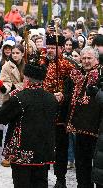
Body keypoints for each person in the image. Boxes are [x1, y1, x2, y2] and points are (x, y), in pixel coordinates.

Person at [0, 63, 58, 188]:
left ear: (27, 80)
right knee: (41, 183)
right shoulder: (51, 99)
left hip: (22, 152)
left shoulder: (19, 98)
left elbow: (0, 117)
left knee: (22, 183)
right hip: (43, 152)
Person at [64, 46, 103, 188]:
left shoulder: (100, 74)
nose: (86, 61)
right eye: (84, 58)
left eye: (89, 58)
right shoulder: (77, 74)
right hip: (78, 127)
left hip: (96, 128)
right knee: (81, 164)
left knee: (98, 166)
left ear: (96, 59)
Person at [39, 34, 75, 188]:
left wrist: (64, 97)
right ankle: (42, 178)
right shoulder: (41, 64)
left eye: (54, 48)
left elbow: (74, 90)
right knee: (43, 147)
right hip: (43, 114)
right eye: (49, 47)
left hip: (61, 115)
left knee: (61, 149)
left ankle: (61, 179)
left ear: (61, 48)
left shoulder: (68, 65)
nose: (51, 50)